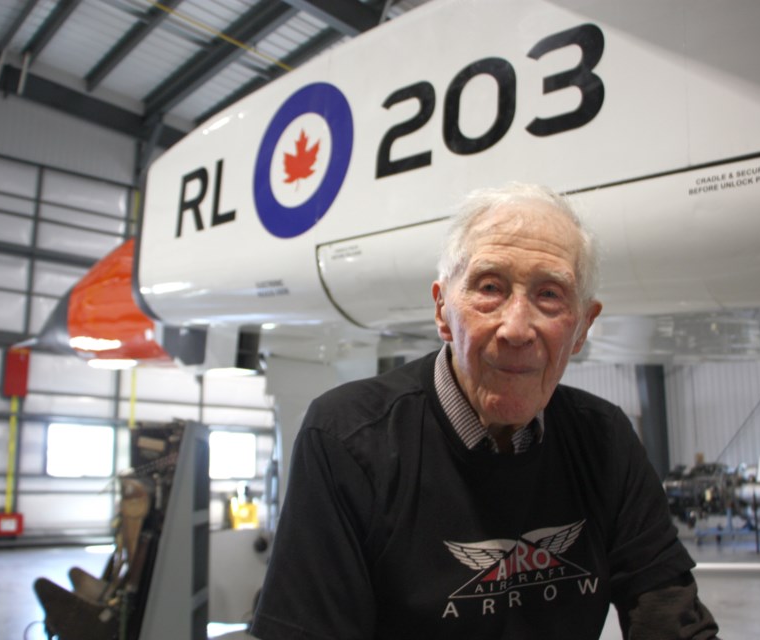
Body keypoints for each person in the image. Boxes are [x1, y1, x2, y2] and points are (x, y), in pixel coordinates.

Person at [250, 183, 719, 639]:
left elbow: (669, 616)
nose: (516, 329)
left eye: (550, 294)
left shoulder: (605, 440)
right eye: (490, 287)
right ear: (442, 311)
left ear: (581, 329)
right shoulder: (348, 439)